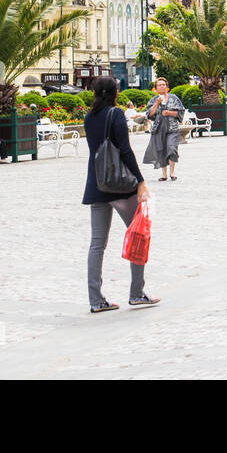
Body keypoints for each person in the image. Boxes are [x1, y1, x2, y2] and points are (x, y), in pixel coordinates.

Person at [82, 75, 157, 312]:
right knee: (138, 235)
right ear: (115, 93)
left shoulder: (88, 117)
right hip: (119, 185)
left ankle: (96, 299)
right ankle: (137, 292)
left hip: (97, 183)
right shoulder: (115, 115)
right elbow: (125, 150)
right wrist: (140, 181)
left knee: (97, 244)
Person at [143, 77, 183, 181]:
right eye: (159, 85)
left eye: (164, 85)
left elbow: (180, 112)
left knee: (171, 148)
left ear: (167, 87)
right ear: (156, 88)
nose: (162, 86)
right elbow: (149, 115)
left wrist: (169, 113)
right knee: (161, 150)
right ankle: (164, 174)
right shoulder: (153, 100)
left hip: (172, 128)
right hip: (158, 129)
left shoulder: (174, 98)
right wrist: (156, 104)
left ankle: (172, 172)